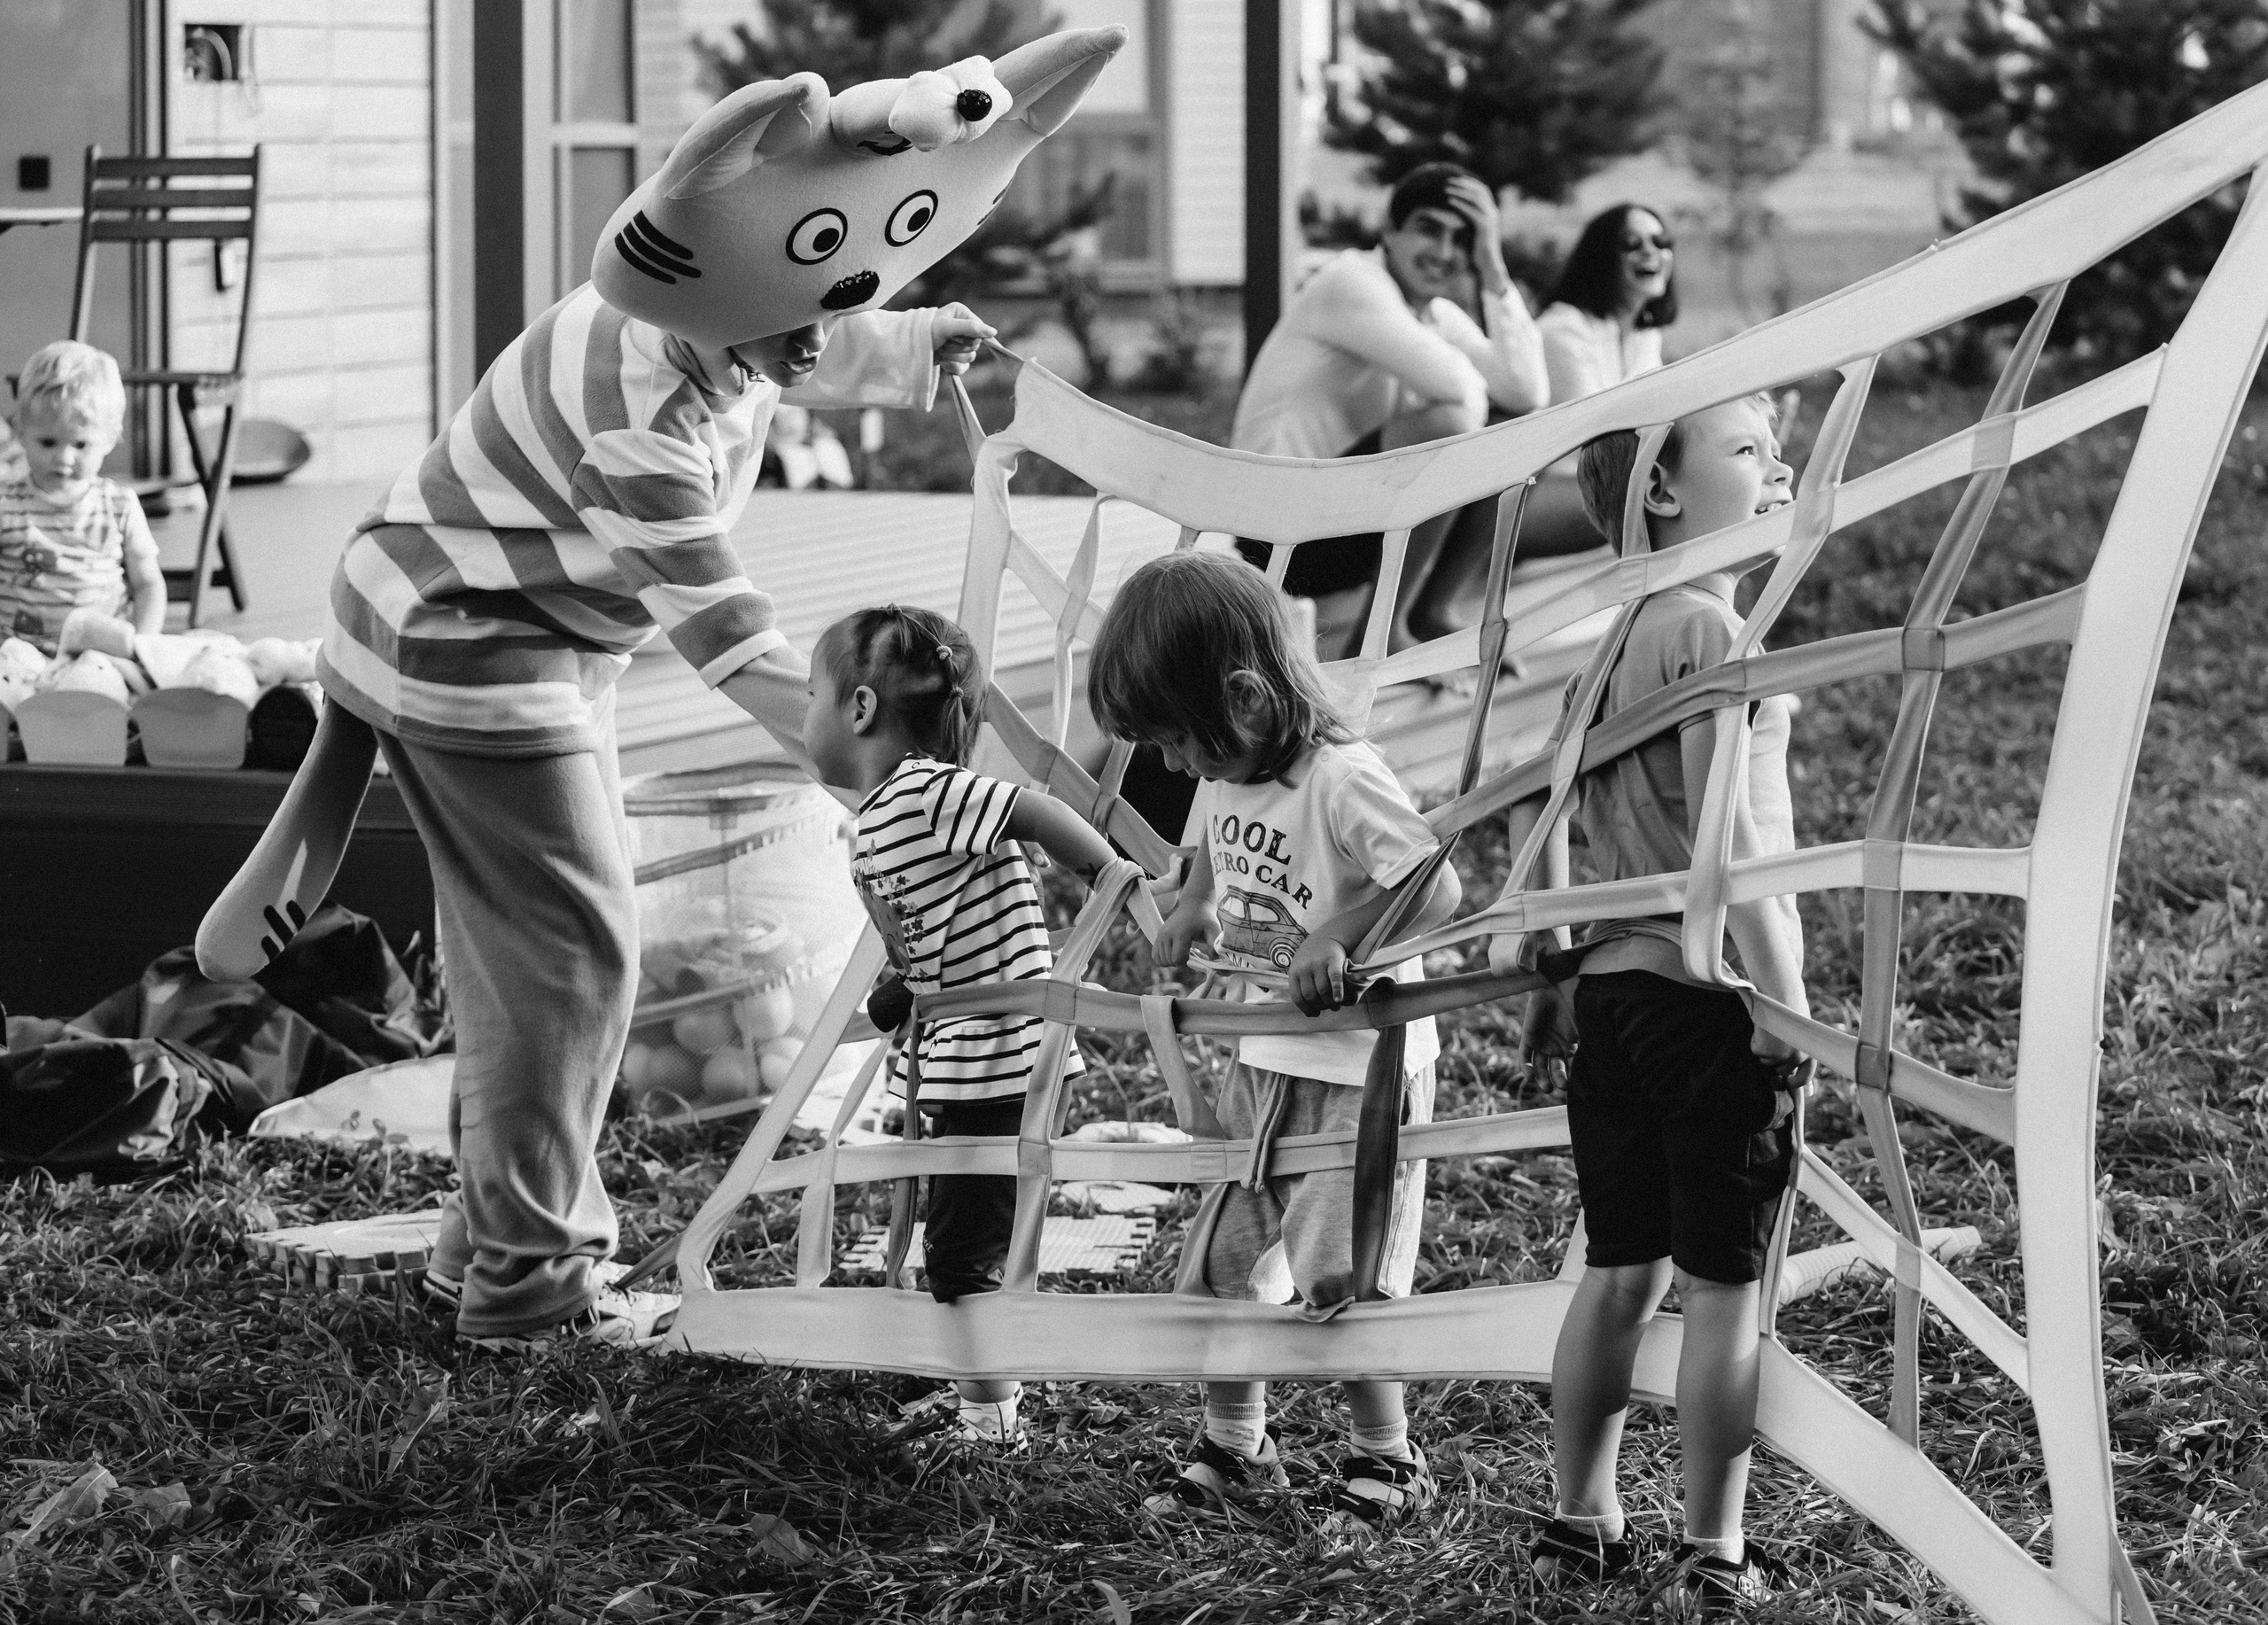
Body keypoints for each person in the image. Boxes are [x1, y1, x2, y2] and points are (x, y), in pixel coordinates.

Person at [193, 32, 1131, 1354]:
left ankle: (483, 1247)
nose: (818, 336)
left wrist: (906, 341)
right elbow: (738, 646)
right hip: (471, 637)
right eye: (802, 315)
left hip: (523, 617)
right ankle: (527, 1286)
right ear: (721, 294)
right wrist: (875, 766)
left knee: (524, 968)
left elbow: (810, 316)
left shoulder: (729, 310)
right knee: (573, 963)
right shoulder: (649, 415)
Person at [1486, 393, 1809, 1613]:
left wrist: (1560, 965)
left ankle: (1580, 1517)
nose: (1777, 460)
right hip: (1706, 1000)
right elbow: (1727, 855)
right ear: (1664, 494)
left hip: (1613, 1006)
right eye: (1747, 446)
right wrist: (1787, 1010)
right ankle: (1716, 1548)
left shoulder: (1614, 634)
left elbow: (1552, 809)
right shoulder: (1713, 627)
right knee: (1728, 1290)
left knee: (1618, 1271)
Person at [1087, 548, 1463, 1536]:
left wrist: (1341, 937)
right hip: (1264, 1064)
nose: (1174, 767)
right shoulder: (1228, 778)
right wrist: (1188, 910)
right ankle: (1238, 1444)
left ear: (1246, 700)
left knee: (1343, 1272)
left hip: (1355, 1071)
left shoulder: (1341, 779)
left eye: (1177, 742)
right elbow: (1212, 859)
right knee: (1223, 1259)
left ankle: (1388, 1458)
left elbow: (1435, 881)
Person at [804, 603, 1116, 1444]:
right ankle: (976, 1389)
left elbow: (1033, 809)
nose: (804, 715)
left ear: (860, 709)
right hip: (958, 1058)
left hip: (999, 1058)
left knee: (962, 1256)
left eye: (810, 695)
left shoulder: (922, 790)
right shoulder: (878, 821)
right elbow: (927, 935)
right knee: (956, 1238)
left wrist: (1108, 874)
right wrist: (904, 990)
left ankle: (990, 1417)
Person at [1231, 163, 1547, 657]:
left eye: (1461, 239)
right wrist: (1475, 430)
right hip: (1278, 539)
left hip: (1345, 526)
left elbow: (1528, 393)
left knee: (1513, 430)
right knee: (1454, 424)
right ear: (1390, 232)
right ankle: (1380, 635)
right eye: (1429, 229)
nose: (1443, 253)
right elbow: (1462, 393)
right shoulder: (1350, 282)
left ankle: (1429, 610)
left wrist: (1494, 267)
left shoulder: (1436, 314)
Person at [1520, 205, 1680, 555]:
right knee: (1662, 495)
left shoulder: (1644, 336)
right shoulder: (1563, 331)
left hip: (1595, 486)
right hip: (1531, 494)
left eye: (1660, 240)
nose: (1649, 251)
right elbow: (1598, 443)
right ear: (1601, 259)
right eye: (1630, 243)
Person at [0, 341, 167, 653]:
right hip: (17, 659)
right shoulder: (6, 504)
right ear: (21, 431)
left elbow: (147, 584)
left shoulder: (119, 506)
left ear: (109, 438)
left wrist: (143, 644)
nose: (63, 458)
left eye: (80, 445)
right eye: (48, 442)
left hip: (101, 657)